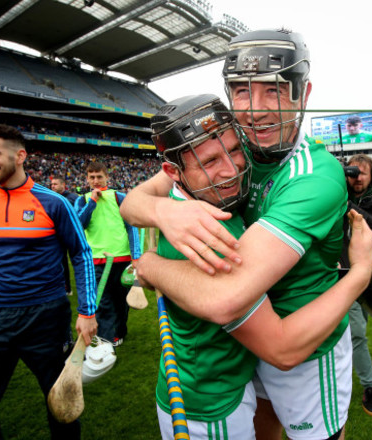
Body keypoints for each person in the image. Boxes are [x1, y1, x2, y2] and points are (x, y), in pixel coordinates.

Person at [123, 29, 355, 440]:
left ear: (304, 93)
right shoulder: (237, 145)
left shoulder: (315, 176)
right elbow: (134, 200)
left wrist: (150, 265)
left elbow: (226, 297)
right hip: (246, 344)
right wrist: (163, 212)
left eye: (274, 90)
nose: (254, 111)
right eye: (241, 92)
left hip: (303, 347)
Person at [0, 124, 97, 439]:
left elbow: (81, 254)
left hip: (45, 316)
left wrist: (87, 311)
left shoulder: (54, 203)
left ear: (20, 155)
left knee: (61, 402)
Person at [340, 154, 372, 417]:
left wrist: (348, 204)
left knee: (356, 334)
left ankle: (364, 384)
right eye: (352, 172)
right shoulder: (335, 195)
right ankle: (368, 386)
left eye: (362, 173)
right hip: (338, 276)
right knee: (355, 333)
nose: (356, 177)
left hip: (367, 278)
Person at [75, 162, 140, 347]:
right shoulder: (82, 199)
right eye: (92, 177)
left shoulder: (119, 197)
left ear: (106, 177)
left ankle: (119, 332)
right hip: (96, 259)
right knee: (102, 301)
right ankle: (106, 339)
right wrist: (92, 203)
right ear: (87, 179)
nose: (96, 181)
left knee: (121, 300)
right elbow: (79, 224)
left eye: (99, 177)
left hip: (122, 258)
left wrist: (136, 256)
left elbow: (131, 226)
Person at [51, 176, 79, 295]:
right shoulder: (52, 198)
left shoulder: (72, 197)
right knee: (60, 262)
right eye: (52, 184)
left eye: (55, 184)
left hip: (74, 234)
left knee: (78, 261)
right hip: (58, 235)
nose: (53, 186)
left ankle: (85, 285)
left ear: (63, 185)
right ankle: (66, 288)